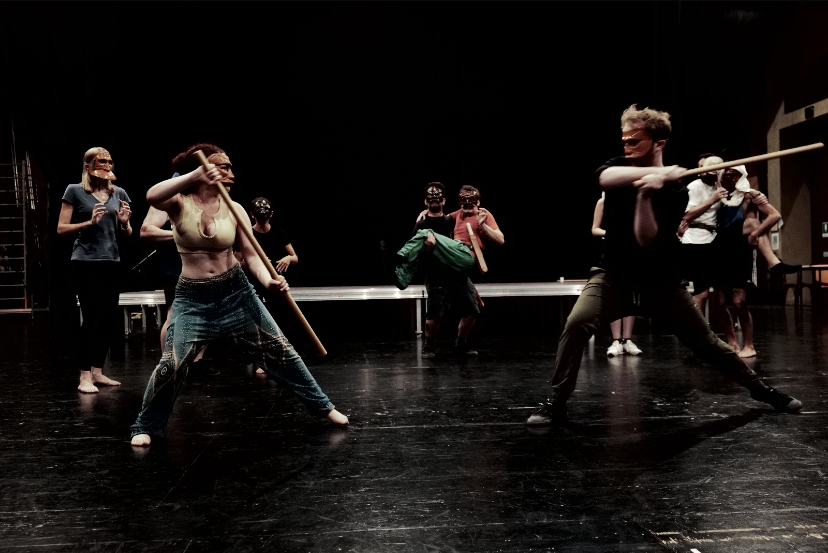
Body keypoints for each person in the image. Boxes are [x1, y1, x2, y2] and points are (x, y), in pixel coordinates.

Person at [525, 105, 802, 426]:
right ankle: (557, 401)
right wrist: (655, 174)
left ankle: (762, 390)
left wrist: (646, 195)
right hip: (613, 276)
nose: (627, 147)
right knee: (576, 324)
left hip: (662, 283)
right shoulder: (619, 167)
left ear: (659, 143)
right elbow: (603, 177)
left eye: (635, 141)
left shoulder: (676, 190)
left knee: (707, 344)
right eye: (624, 140)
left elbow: (646, 240)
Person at [130, 144, 347, 447]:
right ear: (204, 169)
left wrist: (269, 282)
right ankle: (145, 425)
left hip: (236, 292)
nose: (231, 172)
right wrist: (195, 174)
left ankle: (323, 406)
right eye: (223, 166)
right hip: (193, 298)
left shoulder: (236, 209)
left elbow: (252, 255)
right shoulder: (179, 203)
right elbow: (152, 195)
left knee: (281, 351)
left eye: (231, 166)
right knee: (172, 364)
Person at [57, 147, 132, 393]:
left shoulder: (118, 193)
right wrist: (88, 223)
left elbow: (127, 233)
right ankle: (84, 376)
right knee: (91, 317)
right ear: (88, 165)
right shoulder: (75, 190)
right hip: (85, 261)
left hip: (111, 261)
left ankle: (98, 371)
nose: (107, 165)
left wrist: (124, 224)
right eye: (101, 161)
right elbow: (61, 228)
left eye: (110, 161)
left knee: (108, 318)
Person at [707, 164, 783, 357]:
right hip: (719, 249)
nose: (730, 178)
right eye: (727, 174)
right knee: (718, 302)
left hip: (740, 249)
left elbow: (773, 215)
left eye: (734, 175)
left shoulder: (749, 195)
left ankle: (749, 345)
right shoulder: (717, 195)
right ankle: (731, 341)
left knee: (739, 301)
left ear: (741, 177)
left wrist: (755, 234)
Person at [407, 183, 478, 358]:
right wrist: (427, 250)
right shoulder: (421, 224)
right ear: (425, 201)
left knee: (471, 310)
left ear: (444, 201)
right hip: (436, 274)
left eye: (438, 198)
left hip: (456, 272)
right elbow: (415, 254)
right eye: (431, 198)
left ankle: (461, 344)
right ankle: (428, 346)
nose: (435, 200)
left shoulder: (450, 221)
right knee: (435, 313)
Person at [238, 196, 298, 373]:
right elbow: (237, 262)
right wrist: (256, 262)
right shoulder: (248, 234)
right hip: (254, 282)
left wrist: (288, 258)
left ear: (271, 214)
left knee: (278, 318)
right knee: (257, 320)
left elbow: (295, 257)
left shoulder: (278, 232)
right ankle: (260, 358)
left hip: (276, 283)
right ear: (251, 215)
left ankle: (279, 355)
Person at [592, 191, 642, 357]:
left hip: (632, 252)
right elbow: (595, 229)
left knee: (630, 295)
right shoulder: (603, 202)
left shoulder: (634, 201)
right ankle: (616, 340)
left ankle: (627, 340)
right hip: (612, 253)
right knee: (614, 295)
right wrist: (613, 234)